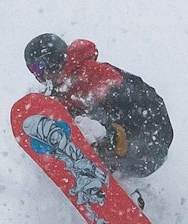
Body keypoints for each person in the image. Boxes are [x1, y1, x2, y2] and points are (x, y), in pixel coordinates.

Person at [24, 33, 173, 179]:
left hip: (150, 136)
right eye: (34, 71)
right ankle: (123, 188)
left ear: (54, 59)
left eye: (40, 67)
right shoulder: (63, 89)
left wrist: (109, 135)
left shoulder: (92, 73)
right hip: (136, 157)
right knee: (70, 125)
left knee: (82, 127)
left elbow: (130, 104)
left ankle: (98, 160)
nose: (40, 75)